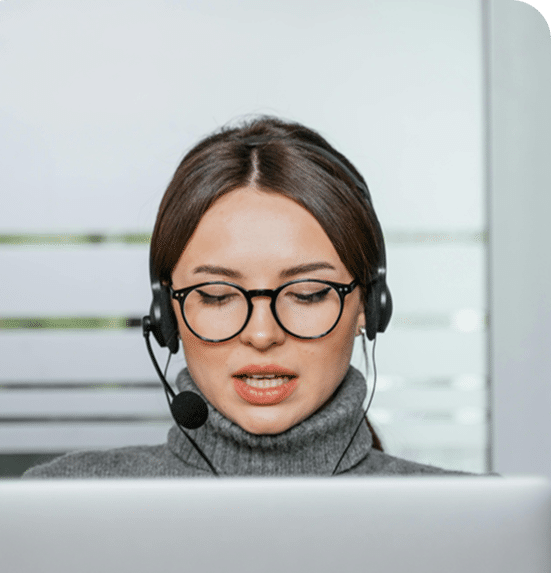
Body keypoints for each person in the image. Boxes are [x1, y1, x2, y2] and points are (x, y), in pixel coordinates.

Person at [24, 116, 469, 478]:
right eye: (217, 296)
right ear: (167, 316)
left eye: (308, 293)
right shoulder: (57, 500)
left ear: (368, 308)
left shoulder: (466, 521)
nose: (261, 334)